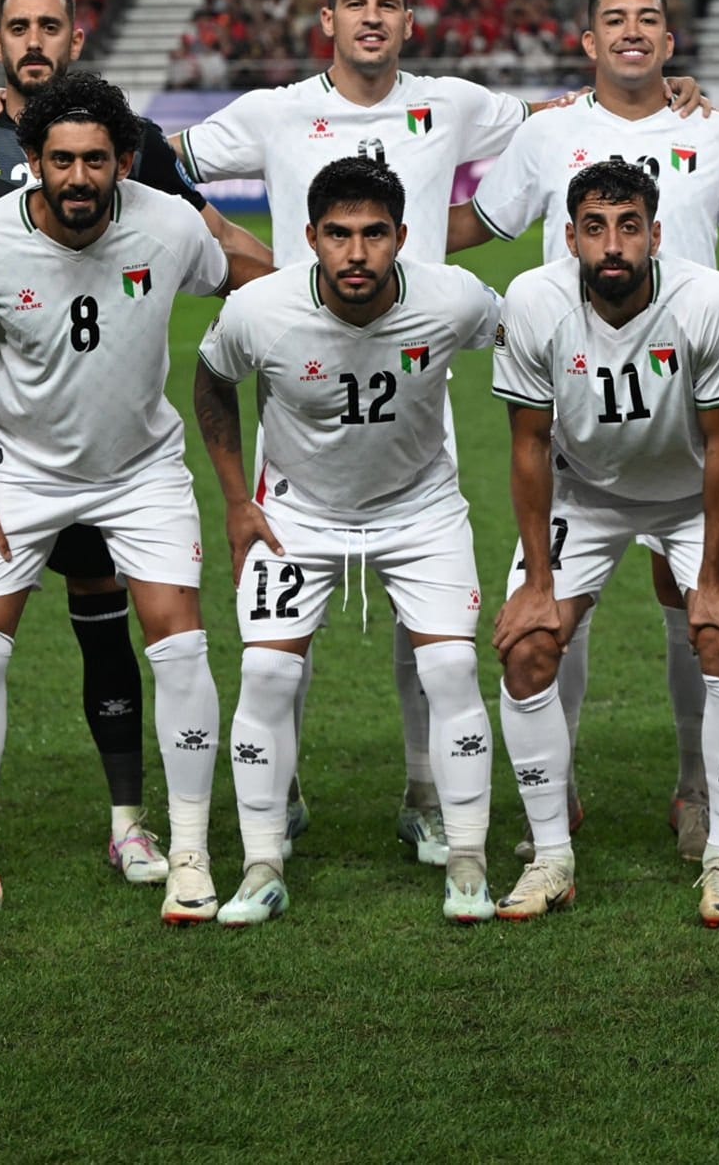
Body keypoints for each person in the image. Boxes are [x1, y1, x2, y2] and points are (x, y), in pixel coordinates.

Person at [167, 0, 702, 869]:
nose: (372, 17)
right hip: (301, 379)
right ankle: (280, 792)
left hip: (418, 371)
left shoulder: (451, 103)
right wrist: (229, 247)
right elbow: (154, 159)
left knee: (427, 619)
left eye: (388, 4)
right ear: (327, 21)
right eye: (355, 4)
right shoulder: (274, 110)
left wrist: (668, 92)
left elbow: (559, 117)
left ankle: (424, 790)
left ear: (410, 22)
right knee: (283, 619)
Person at [0, 0, 268, 892]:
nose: (80, 177)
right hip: (16, 466)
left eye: (97, 161)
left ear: (124, 162)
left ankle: (177, 846)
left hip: (140, 469)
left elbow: (242, 269)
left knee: (171, 643)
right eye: (61, 161)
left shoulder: (164, 218)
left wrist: (326, 299)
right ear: (34, 160)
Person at [458, 0, 719, 866]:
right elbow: (484, 222)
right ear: (589, 41)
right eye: (615, 19)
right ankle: (555, 800)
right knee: (555, 621)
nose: (633, 31)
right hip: (583, 420)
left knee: (698, 610)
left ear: (670, 42)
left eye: (649, 19)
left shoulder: (714, 130)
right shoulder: (548, 131)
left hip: (690, 408)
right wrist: (374, 246)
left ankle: (696, 794)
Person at [192, 156, 503, 927]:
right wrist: (236, 501)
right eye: (338, 234)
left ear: (402, 236)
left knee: (453, 668)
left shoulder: (453, 298)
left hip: (421, 510)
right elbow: (211, 378)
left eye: (374, 234)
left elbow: (525, 335)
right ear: (310, 238)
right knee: (266, 672)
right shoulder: (261, 310)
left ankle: (468, 861)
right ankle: (262, 864)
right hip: (296, 515)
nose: (356, 253)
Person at [489, 161, 719, 927]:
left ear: (656, 233)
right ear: (571, 237)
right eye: (595, 228)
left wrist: (714, 580)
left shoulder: (711, 300)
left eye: (629, 227)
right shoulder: (532, 302)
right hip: (584, 492)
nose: (612, 245)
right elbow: (528, 444)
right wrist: (538, 584)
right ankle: (551, 857)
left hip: (693, 491)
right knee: (528, 647)